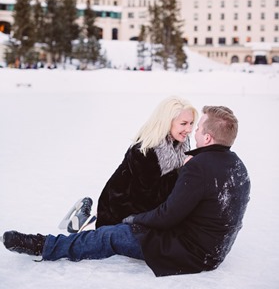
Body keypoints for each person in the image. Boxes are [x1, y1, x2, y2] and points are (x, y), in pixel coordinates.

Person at [2, 106, 250, 278]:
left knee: (112, 236)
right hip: (212, 251)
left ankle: (43, 245)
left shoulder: (198, 167)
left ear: (206, 137)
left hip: (189, 252)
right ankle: (95, 220)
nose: (192, 131)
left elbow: (167, 216)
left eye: (197, 128)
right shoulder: (237, 165)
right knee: (118, 229)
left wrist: (133, 221)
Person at [68, 96, 198, 231]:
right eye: (183, 123)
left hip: (148, 210)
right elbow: (151, 196)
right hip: (120, 209)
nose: (189, 129)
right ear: (167, 122)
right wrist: (182, 171)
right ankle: (83, 217)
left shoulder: (182, 142)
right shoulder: (144, 150)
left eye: (191, 123)